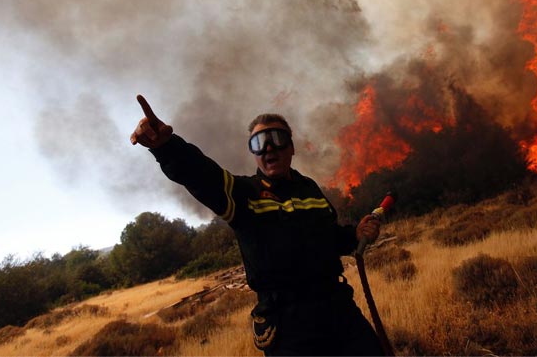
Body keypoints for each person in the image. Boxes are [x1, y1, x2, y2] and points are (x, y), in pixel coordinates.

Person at [130, 94, 384, 356]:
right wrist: (167, 147)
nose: (269, 148)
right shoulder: (243, 194)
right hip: (289, 325)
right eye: (259, 142)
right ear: (253, 152)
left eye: (277, 138)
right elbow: (201, 174)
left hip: (339, 309)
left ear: (292, 147)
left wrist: (354, 234)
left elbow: (329, 238)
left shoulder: (309, 189)